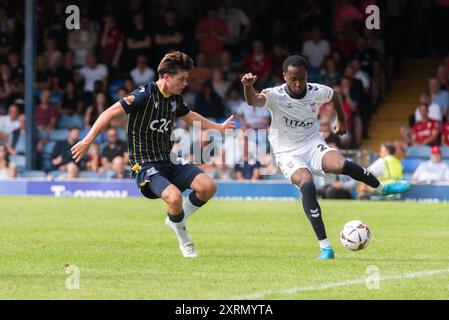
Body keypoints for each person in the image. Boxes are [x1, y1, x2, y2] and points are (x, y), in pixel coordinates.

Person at [241, 55, 412, 260]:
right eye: (292, 79)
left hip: (313, 143)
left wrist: (342, 118)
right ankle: (325, 247)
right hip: (287, 152)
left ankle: (382, 188)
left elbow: (334, 96)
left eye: (302, 78)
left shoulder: (317, 91)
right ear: (284, 76)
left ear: (307, 75)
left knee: (341, 164)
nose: (298, 83)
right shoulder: (274, 95)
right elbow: (253, 100)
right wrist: (248, 87)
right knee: (307, 183)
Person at [72, 51, 236, 258]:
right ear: (166, 77)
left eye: (186, 79)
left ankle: (175, 219)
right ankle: (185, 241)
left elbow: (190, 116)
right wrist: (87, 141)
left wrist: (217, 128)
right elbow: (108, 113)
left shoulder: (175, 99)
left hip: (168, 159)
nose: (185, 83)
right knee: (174, 197)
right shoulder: (143, 95)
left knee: (208, 187)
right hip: (145, 163)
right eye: (181, 79)